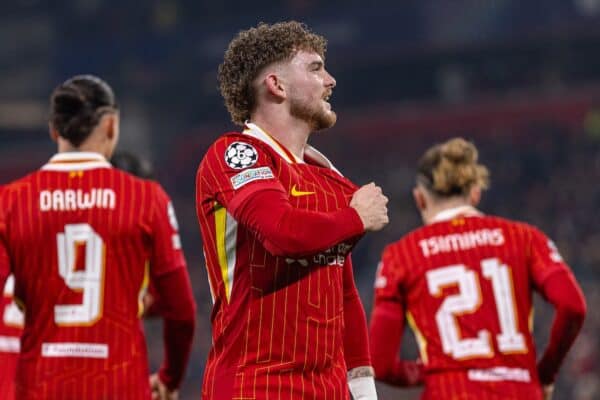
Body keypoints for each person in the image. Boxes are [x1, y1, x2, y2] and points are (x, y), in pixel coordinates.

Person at [195, 21, 389, 400]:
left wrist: (364, 392)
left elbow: (344, 290)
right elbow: (281, 232)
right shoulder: (235, 155)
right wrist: (355, 217)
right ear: (276, 85)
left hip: (328, 390)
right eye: (315, 68)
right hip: (255, 386)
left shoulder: (331, 179)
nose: (330, 80)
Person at [0, 75, 196, 400]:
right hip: (119, 386)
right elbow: (182, 311)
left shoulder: (11, 201)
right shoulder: (147, 198)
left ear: (53, 129)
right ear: (110, 126)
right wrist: (170, 377)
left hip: (40, 386)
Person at [369, 138, 587, 399]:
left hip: (450, 391)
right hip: (519, 389)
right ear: (475, 193)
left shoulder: (401, 256)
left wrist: (427, 371)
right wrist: (545, 372)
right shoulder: (525, 238)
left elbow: (380, 364)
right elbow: (573, 306)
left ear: (420, 199)